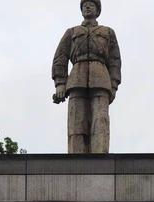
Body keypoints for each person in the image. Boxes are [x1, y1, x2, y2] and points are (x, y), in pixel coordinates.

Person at [52, 0, 121, 153]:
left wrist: (114, 84)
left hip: (101, 78)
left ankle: (100, 156)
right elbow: (60, 58)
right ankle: (76, 159)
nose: (87, 7)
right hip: (77, 78)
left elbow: (115, 60)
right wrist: (60, 83)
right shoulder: (72, 32)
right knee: (77, 121)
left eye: (91, 5)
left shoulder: (108, 32)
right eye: (84, 5)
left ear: (97, 10)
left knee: (100, 120)